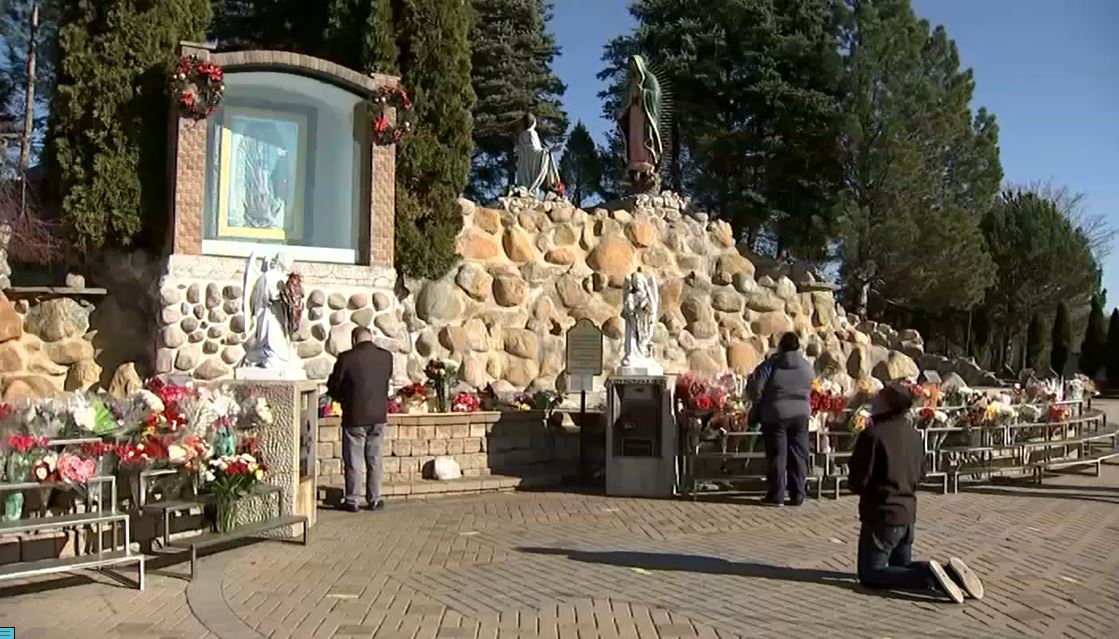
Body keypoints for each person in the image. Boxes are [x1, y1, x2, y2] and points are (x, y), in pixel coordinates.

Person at [848, 383, 984, 603]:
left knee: (871, 573)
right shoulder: (913, 434)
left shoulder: (873, 435)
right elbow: (921, 472)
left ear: (888, 405)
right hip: (907, 512)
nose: (873, 401)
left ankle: (930, 575)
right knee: (900, 568)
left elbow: (859, 478)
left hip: (882, 512)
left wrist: (859, 486)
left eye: (878, 398)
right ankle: (947, 573)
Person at [326, 326, 394, 513]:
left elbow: (334, 385)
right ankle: (375, 498)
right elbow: (386, 380)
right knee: (375, 459)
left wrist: (341, 398)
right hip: (378, 415)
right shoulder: (386, 357)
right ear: (371, 337)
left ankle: (352, 500)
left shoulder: (346, 358)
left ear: (354, 340)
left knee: (354, 460)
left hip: (354, 416)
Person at [747, 332, 813, 506]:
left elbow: (756, 388)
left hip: (776, 415)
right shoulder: (807, 366)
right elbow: (811, 386)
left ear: (781, 346)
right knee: (798, 455)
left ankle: (776, 495)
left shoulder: (772, 364)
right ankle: (798, 494)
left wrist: (759, 402)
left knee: (778, 456)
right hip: (801, 415)